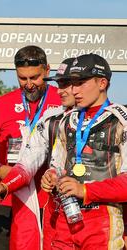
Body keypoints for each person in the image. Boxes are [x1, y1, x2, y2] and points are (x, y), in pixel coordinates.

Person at [0, 58, 76, 250]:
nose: (28, 84)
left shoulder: (62, 102)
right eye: (22, 78)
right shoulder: (4, 104)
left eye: (34, 77)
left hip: (54, 199)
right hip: (11, 197)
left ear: (46, 71)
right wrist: (3, 177)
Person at [41, 53, 127, 249]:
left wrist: (85, 190)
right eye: (72, 83)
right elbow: (57, 166)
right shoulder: (66, 120)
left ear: (102, 83)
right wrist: (51, 175)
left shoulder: (121, 120)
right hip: (65, 217)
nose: (74, 90)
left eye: (81, 83)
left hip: (103, 222)